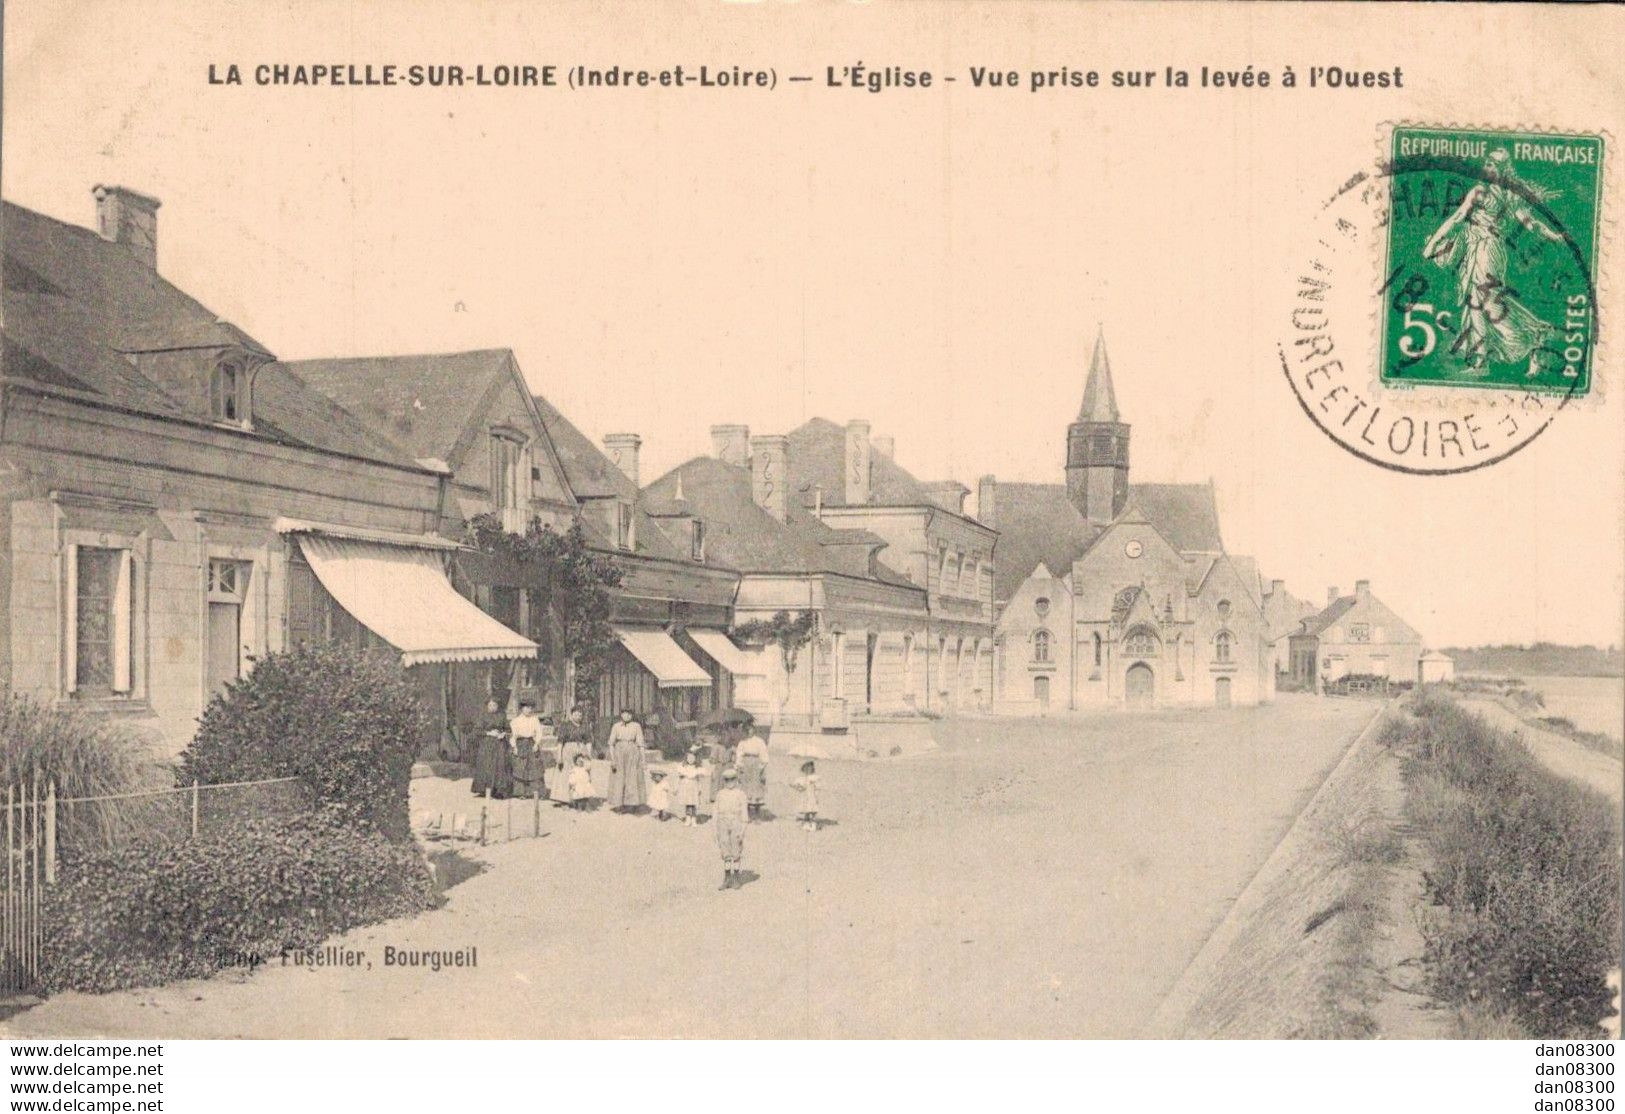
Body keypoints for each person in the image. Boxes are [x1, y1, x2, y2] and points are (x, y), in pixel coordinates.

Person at [713, 767, 749, 890]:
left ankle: (736, 879)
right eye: (727, 780)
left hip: (736, 822)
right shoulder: (720, 794)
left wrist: (743, 830)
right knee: (725, 850)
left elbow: (744, 813)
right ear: (724, 781)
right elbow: (715, 812)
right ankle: (727, 878)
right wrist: (714, 831)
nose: (730, 782)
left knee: (736, 850)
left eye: (732, 779)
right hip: (723, 822)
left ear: (736, 780)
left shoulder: (740, 794)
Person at [606, 709, 648, 812]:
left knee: (632, 776)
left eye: (629, 714)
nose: (627, 716)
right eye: (624, 713)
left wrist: (643, 760)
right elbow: (611, 744)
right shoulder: (616, 726)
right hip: (619, 751)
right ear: (621, 715)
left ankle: (631, 803)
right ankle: (618, 803)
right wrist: (613, 759)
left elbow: (641, 744)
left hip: (632, 751)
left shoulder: (636, 726)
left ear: (632, 715)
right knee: (619, 777)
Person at [470, 698, 513, 799]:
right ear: (487, 706)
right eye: (490, 705)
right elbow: (477, 731)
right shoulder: (483, 717)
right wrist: (489, 733)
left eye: (495, 705)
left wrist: (503, 734)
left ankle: (498, 790)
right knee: (486, 766)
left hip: (499, 744)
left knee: (499, 765)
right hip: (486, 744)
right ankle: (483, 789)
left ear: (498, 706)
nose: (492, 707)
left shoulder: (502, 716)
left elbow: (508, 729)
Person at [509, 697, 546, 800]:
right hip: (520, 744)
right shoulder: (515, 721)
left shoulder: (535, 720)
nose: (529, 710)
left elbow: (539, 733)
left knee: (534, 767)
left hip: (531, 744)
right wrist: (514, 747)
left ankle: (535, 792)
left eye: (531, 708)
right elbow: (513, 736)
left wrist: (536, 743)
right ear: (522, 708)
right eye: (526, 707)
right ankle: (521, 792)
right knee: (520, 767)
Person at [554, 705, 590, 807]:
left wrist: (588, 755)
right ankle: (564, 798)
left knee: (581, 773)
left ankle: (579, 797)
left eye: (580, 714)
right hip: (567, 751)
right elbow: (560, 742)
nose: (578, 716)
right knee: (566, 773)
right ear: (571, 714)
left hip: (581, 752)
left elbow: (588, 741)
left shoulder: (585, 726)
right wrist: (559, 756)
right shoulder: (565, 726)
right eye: (576, 714)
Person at [734, 727, 769, 821]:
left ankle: (756, 814)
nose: (749, 731)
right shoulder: (742, 742)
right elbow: (739, 754)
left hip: (755, 763)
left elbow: (763, 754)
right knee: (745, 788)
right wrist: (739, 765)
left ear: (754, 730)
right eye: (747, 729)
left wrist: (762, 766)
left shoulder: (759, 741)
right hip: (745, 763)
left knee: (756, 787)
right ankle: (747, 813)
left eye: (751, 729)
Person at [675, 748, 704, 826]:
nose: (691, 760)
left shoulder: (697, 768)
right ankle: (688, 818)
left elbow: (698, 779)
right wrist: (677, 788)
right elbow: (680, 778)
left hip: (694, 787)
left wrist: (700, 788)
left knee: (694, 803)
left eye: (693, 758)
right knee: (688, 803)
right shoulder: (683, 767)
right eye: (689, 758)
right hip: (686, 787)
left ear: (695, 759)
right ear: (686, 758)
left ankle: (694, 819)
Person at [790, 759, 821, 832]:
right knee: (806, 811)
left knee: (813, 811)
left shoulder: (815, 777)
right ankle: (806, 824)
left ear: (812, 768)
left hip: (812, 796)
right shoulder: (802, 778)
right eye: (806, 768)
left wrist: (816, 796)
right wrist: (795, 786)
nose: (808, 769)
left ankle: (813, 825)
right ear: (804, 769)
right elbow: (800, 788)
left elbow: (817, 788)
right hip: (805, 796)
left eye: (810, 767)